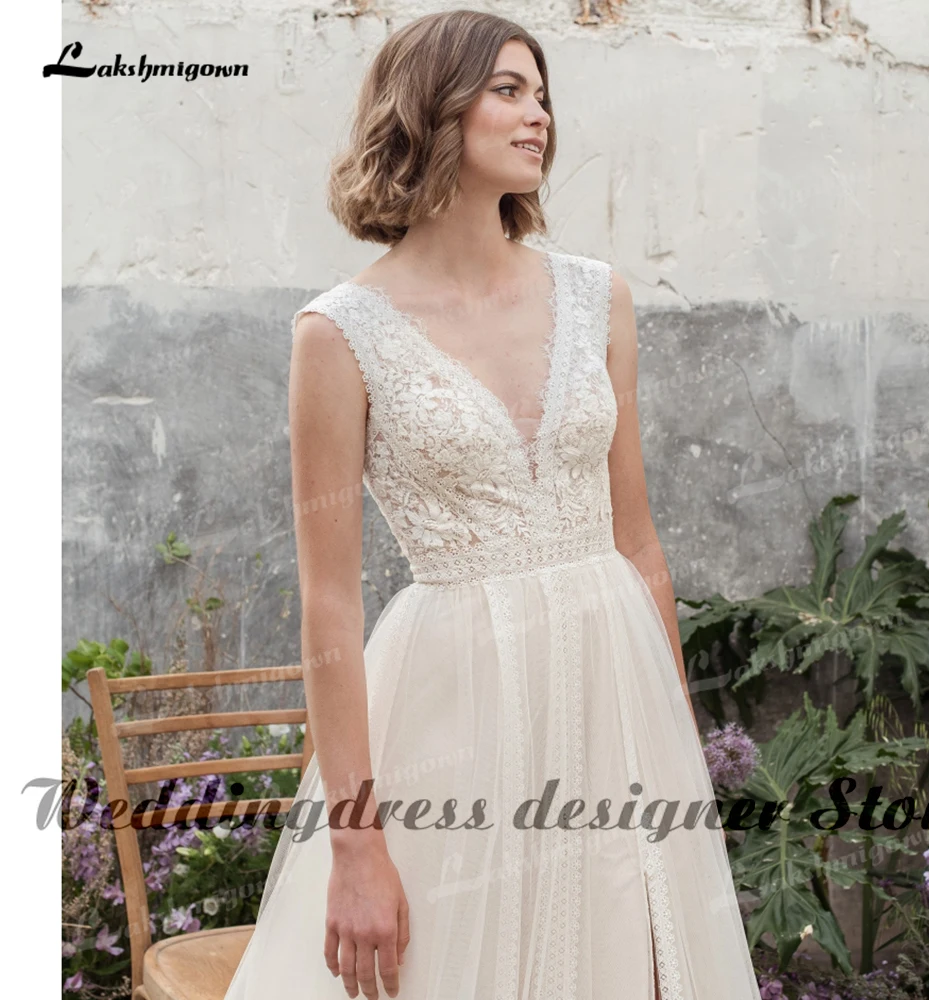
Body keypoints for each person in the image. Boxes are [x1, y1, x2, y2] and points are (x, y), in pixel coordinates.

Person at [225, 9, 761, 1000]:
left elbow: (638, 542)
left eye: (542, 94)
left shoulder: (599, 297)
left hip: (612, 693)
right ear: (429, 110)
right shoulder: (336, 335)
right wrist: (355, 846)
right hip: (455, 709)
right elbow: (329, 604)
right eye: (508, 91)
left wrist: (675, 748)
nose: (538, 115)